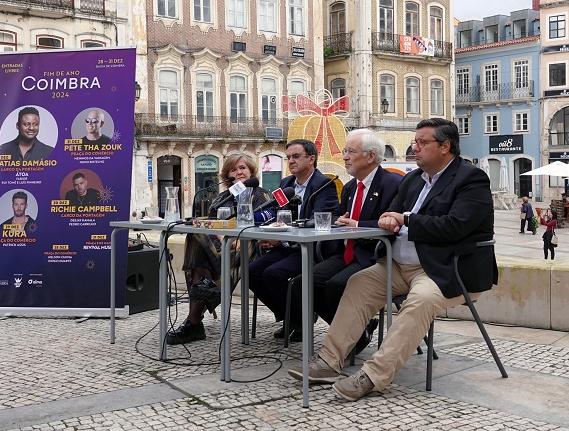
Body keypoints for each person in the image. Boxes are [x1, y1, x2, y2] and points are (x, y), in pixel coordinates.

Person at [287, 118, 497, 402]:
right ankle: (328, 362)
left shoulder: (471, 178)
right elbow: (392, 214)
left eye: (423, 142)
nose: (415, 147)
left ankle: (373, 376)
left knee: (420, 300)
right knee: (358, 282)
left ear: (445, 146)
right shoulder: (412, 179)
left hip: (444, 268)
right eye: (415, 141)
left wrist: (406, 218)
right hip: (397, 265)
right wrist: (389, 218)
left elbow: (456, 225)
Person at [296, 129, 401, 354]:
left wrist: (356, 224)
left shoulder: (391, 183)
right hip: (345, 252)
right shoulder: (351, 186)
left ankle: (349, 337)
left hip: (372, 254)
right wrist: (337, 221)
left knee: (337, 284)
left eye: (350, 152)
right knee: (302, 282)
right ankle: (356, 331)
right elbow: (345, 218)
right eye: (344, 151)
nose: (344, 156)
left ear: (371, 156)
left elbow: (392, 224)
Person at [167, 153, 269, 345]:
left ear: (251, 171)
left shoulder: (260, 195)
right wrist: (222, 237)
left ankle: (193, 322)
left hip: (246, 247)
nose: (238, 172)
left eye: (242, 168)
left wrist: (228, 237)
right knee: (195, 236)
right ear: (227, 175)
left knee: (198, 250)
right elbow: (211, 224)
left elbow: (260, 226)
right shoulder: (222, 197)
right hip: (218, 246)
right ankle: (202, 296)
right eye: (233, 169)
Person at [248, 139, 339, 343]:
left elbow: (322, 220)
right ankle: (289, 315)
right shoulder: (285, 184)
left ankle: (300, 320)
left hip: (311, 249)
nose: (291, 161)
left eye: (296, 156)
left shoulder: (323, 184)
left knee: (274, 274)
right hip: (287, 245)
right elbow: (279, 214)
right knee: (251, 271)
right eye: (288, 157)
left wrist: (284, 237)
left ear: (311, 159)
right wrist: (272, 235)